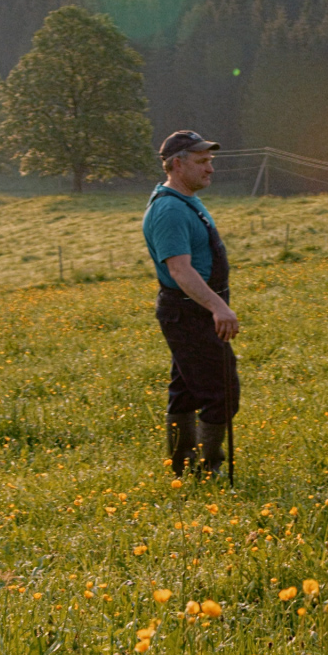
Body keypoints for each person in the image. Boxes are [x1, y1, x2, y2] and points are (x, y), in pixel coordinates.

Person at [142, 130, 239, 479]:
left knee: (185, 390)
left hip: (191, 309)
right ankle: (207, 470)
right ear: (177, 165)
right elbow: (180, 270)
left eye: (210, 161)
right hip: (189, 312)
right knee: (221, 391)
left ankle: (181, 466)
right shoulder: (169, 209)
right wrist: (218, 308)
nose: (210, 168)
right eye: (202, 162)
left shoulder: (184, 200)